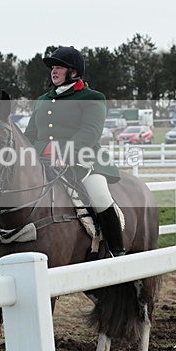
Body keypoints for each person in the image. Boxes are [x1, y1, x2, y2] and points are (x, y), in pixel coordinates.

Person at [24, 46, 125, 257]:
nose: (54, 71)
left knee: (99, 194)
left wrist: (64, 153)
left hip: (83, 160)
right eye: (53, 67)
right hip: (43, 162)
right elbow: (30, 136)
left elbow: (90, 132)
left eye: (60, 67)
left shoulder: (93, 97)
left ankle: (117, 250)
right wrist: (34, 154)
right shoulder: (42, 100)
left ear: (74, 72)